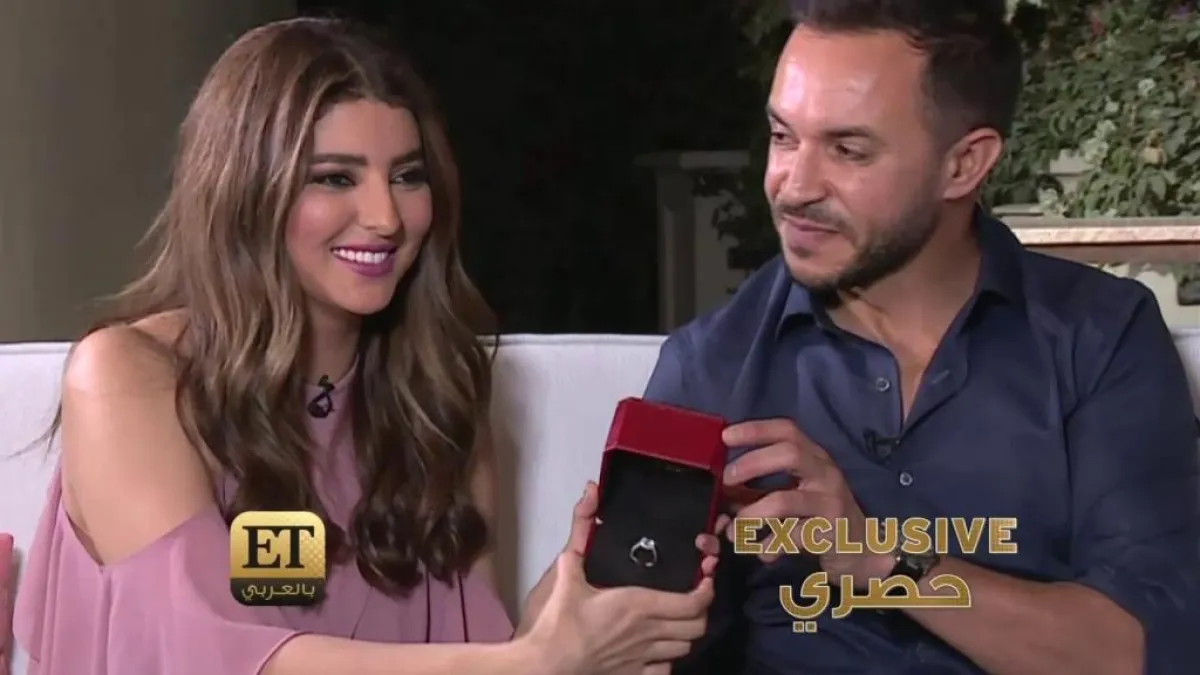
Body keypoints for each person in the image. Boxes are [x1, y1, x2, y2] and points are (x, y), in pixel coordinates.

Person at [12, 17, 722, 675]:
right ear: (245, 191)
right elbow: (205, 652)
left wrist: (566, 624)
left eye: (407, 176)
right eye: (335, 178)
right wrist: (539, 661)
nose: (385, 217)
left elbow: (477, 657)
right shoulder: (128, 378)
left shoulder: (439, 400)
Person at [645, 1, 1200, 673]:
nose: (793, 186)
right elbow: (622, 632)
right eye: (783, 137)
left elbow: (1142, 651)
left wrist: (883, 557)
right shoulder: (711, 365)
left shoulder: (1099, 337)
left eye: (848, 150)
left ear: (964, 164)